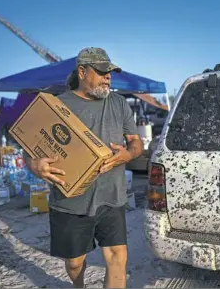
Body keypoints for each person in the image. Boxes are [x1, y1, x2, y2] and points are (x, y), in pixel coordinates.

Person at [24, 47, 143, 288]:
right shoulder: (57, 105)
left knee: (118, 257)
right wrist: (35, 165)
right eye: (101, 72)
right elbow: (30, 147)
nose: (108, 77)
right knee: (75, 263)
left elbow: (136, 143)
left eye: (110, 72)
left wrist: (127, 155)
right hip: (71, 201)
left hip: (112, 197)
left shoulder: (119, 104)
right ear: (82, 72)